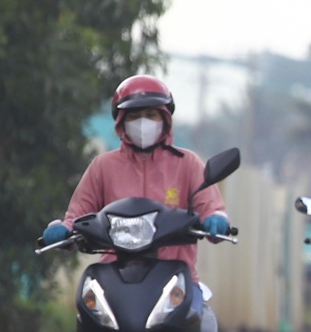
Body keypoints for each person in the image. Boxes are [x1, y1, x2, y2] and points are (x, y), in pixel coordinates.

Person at [41, 74, 228, 272]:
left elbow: (211, 207)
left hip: (176, 278)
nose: (142, 123)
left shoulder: (188, 163)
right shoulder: (103, 166)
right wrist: (64, 229)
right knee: (89, 302)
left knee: (198, 305)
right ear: (121, 122)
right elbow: (77, 215)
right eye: (133, 116)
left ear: (165, 118)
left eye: (151, 114)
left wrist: (216, 220)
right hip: (114, 274)